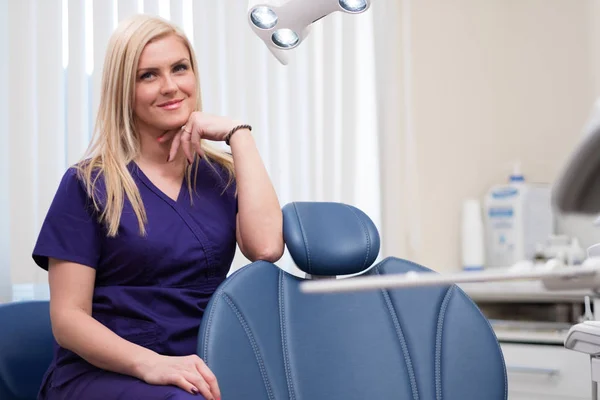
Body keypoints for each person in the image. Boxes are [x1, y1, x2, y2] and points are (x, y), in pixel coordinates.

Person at [31, 14, 284, 400]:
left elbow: (266, 248)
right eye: (148, 75)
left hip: (202, 364)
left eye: (179, 68)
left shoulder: (221, 177)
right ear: (124, 90)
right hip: (107, 372)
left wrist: (238, 135)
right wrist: (152, 364)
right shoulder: (89, 184)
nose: (170, 87)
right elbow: (68, 319)